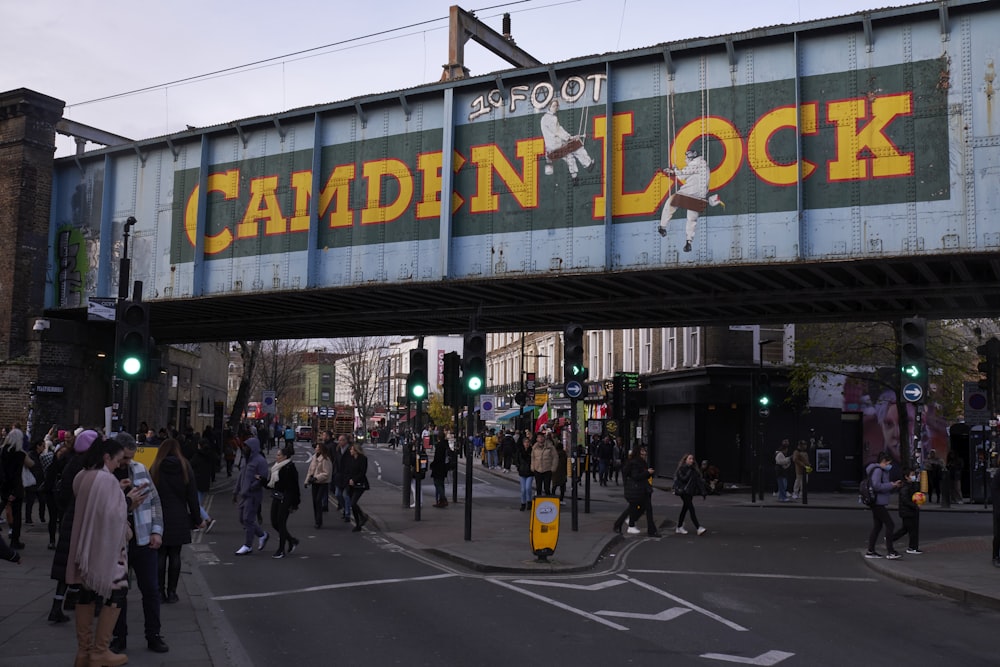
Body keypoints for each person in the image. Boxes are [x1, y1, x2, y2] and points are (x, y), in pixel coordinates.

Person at [68, 434, 146, 667]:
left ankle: (84, 652)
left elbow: (93, 504)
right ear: (106, 456)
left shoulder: (83, 475)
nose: (119, 465)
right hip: (105, 548)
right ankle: (101, 651)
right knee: (117, 593)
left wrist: (117, 491)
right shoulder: (105, 480)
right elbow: (112, 515)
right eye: (118, 460)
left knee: (86, 593)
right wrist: (129, 501)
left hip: (84, 547)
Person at [111, 432, 169, 654]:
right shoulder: (106, 475)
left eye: (130, 457)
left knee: (151, 591)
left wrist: (157, 531)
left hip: (143, 539)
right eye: (124, 458)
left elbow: (155, 501)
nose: (127, 462)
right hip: (117, 543)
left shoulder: (140, 469)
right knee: (119, 593)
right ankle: (119, 637)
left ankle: (153, 635)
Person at [150, 438, 204, 603]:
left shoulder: (156, 467)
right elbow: (192, 497)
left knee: (160, 555)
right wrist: (197, 519)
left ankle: (159, 592)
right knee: (175, 555)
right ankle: (172, 592)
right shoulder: (185, 467)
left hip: (159, 516)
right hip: (179, 516)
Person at [657, 147, 712, 252]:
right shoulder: (704, 164)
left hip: (688, 193)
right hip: (699, 196)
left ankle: (662, 227)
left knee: (670, 203)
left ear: (693, 155)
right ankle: (688, 242)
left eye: (688, 155)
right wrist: (674, 171)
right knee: (692, 219)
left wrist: (674, 170)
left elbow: (682, 176)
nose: (686, 158)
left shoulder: (696, 163)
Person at [539, 99, 594, 183]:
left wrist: (568, 137)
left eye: (556, 106)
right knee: (577, 145)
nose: (555, 108)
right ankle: (588, 164)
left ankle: (574, 177)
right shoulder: (552, 118)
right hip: (557, 146)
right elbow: (558, 131)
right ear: (549, 107)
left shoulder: (543, 119)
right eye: (553, 106)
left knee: (569, 156)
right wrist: (569, 137)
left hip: (550, 150)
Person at [232, 437, 269, 555]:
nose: (244, 448)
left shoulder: (260, 461)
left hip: (253, 495)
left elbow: (263, 478)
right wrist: (235, 491)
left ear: (253, 448)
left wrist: (252, 486)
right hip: (244, 494)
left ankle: (248, 546)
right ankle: (262, 535)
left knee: (248, 519)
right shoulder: (245, 460)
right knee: (242, 519)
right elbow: (240, 477)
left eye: (246, 446)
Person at [864, 451, 904, 559]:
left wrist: (893, 485)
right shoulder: (878, 471)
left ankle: (871, 551)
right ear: (883, 461)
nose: (889, 466)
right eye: (888, 463)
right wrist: (892, 485)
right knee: (890, 524)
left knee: (878, 526)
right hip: (878, 502)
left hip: (876, 502)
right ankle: (890, 551)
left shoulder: (877, 470)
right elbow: (877, 486)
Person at [615, 447, 659, 536]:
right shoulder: (635, 463)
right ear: (638, 453)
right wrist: (647, 472)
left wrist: (649, 473)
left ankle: (622, 524)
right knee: (645, 509)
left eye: (645, 451)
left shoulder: (641, 462)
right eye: (642, 451)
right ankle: (650, 530)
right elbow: (636, 476)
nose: (645, 453)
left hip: (640, 490)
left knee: (637, 508)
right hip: (637, 490)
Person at [267, 444, 301, 558]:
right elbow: (271, 484)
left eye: (279, 455)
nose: (276, 457)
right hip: (277, 496)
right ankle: (291, 540)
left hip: (286, 498)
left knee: (281, 523)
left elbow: (295, 487)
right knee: (274, 522)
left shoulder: (289, 468)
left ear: (285, 456)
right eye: (277, 455)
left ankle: (281, 550)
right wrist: (262, 480)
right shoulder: (276, 467)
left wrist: (295, 503)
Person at [0, 426, 26, 550]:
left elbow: (3, 472)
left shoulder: (3, 451)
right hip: (16, 488)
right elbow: (16, 474)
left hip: (4, 487)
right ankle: (15, 540)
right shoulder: (20, 454)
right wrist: (14, 491)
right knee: (17, 515)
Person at [673, 453, 707, 536]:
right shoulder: (682, 469)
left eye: (692, 459)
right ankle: (698, 527)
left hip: (690, 492)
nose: (691, 460)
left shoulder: (694, 470)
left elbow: (698, 482)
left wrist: (703, 492)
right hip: (683, 492)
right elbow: (683, 479)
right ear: (685, 460)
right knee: (691, 508)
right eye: (690, 459)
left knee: (685, 508)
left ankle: (679, 527)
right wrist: (690, 471)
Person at [891, 468, 922, 555]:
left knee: (906, 529)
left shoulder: (910, 485)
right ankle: (912, 547)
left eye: (914, 475)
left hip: (910, 511)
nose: (914, 477)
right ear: (906, 477)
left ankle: (891, 538)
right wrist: (915, 506)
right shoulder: (905, 487)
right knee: (912, 530)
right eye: (912, 475)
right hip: (908, 512)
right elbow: (905, 500)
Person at [190, 438, 217, 532]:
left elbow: (190, 465)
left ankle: (208, 520)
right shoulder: (210, 455)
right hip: (205, 481)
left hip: (197, 482)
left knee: (196, 504)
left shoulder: (197, 456)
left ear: (200, 446)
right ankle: (198, 523)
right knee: (198, 503)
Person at [304, 441, 332, 528]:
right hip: (314, 483)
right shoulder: (314, 458)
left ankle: (319, 521)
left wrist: (316, 478)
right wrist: (306, 481)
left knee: (318, 501)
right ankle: (317, 520)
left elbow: (326, 473)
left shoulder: (325, 459)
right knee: (314, 502)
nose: (316, 448)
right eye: (316, 447)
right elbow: (310, 470)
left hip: (322, 483)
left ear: (321, 449)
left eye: (317, 447)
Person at [346, 444, 370, 532]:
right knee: (353, 505)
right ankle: (359, 522)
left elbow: (362, 472)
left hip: (360, 484)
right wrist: (349, 479)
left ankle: (361, 519)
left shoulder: (363, 459)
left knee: (353, 503)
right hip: (350, 484)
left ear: (356, 450)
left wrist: (354, 480)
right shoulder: (350, 459)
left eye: (351, 450)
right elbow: (347, 470)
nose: (350, 451)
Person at [331, 434, 353, 523]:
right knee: (337, 495)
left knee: (346, 496)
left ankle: (347, 514)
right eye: (339, 440)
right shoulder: (338, 450)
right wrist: (335, 473)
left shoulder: (350, 450)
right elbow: (335, 462)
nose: (340, 442)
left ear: (346, 441)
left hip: (347, 477)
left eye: (342, 440)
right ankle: (345, 509)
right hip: (339, 477)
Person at [531, 432, 556, 496]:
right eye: (539, 437)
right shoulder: (534, 447)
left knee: (547, 488)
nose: (541, 438)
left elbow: (555, 457)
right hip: (538, 469)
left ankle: (548, 503)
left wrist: (553, 467)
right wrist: (533, 466)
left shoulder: (550, 447)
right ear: (537, 439)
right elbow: (533, 458)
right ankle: (539, 503)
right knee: (538, 487)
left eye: (542, 437)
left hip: (547, 469)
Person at [514, 436, 534, 511]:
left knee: (528, 488)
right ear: (523, 443)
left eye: (528, 442)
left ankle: (529, 502)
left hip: (530, 472)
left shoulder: (531, 451)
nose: (527, 444)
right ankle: (523, 503)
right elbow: (517, 459)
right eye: (525, 442)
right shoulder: (520, 451)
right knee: (523, 490)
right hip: (522, 471)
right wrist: (518, 466)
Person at [430, 439, 450, 508]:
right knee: (441, 483)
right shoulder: (446, 445)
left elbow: (437, 458)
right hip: (444, 467)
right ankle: (441, 500)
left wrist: (432, 465)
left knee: (437, 483)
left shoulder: (439, 446)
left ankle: (443, 499)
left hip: (438, 468)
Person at [991, 467, 1000, 568]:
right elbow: (995, 492)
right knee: (998, 534)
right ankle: (995, 556)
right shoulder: (998, 474)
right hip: (999, 509)